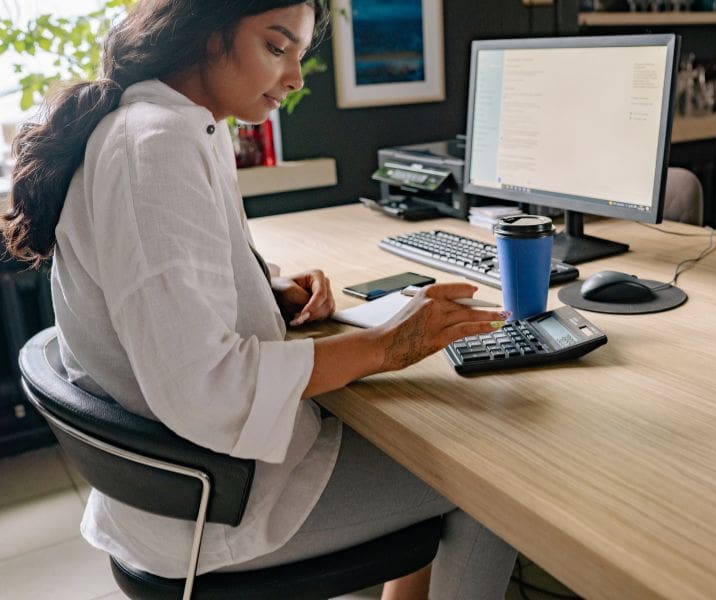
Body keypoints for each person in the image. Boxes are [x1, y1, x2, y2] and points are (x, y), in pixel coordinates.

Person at [2, 1, 518, 598]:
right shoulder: (157, 144)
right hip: (211, 505)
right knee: (498, 486)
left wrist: (264, 286)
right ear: (204, 34)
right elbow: (205, 386)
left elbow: (155, 281)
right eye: (277, 48)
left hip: (189, 481)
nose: (296, 78)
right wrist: (386, 346)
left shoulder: (176, 125)